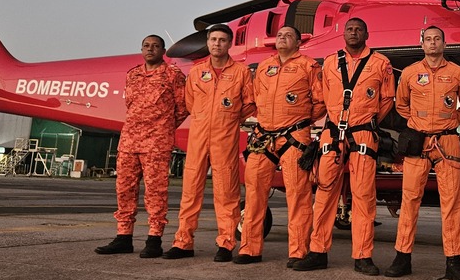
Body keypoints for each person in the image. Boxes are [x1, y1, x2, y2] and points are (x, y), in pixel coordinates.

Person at [294, 18, 395, 275]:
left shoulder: (381, 63)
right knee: (325, 193)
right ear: (343, 34)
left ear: (367, 34)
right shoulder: (330, 62)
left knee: (363, 196)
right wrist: (339, 120)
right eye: (349, 29)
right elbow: (325, 96)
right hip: (332, 133)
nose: (353, 33)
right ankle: (318, 252)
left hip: (363, 135)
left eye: (358, 29)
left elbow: (386, 100)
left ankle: (363, 256)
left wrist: (366, 123)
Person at [384, 26, 460, 280]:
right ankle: (402, 256)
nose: (432, 43)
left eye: (437, 39)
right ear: (422, 44)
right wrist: (417, 123)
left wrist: (450, 123)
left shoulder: (457, 73)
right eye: (428, 39)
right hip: (418, 143)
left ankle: (454, 261)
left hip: (447, 143)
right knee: (409, 200)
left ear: (444, 44)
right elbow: (400, 104)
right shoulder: (411, 73)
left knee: (452, 203)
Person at [163, 23, 255, 262]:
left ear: (230, 44)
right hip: (199, 136)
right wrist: (207, 117)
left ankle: (226, 243)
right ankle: (183, 242)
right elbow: (190, 103)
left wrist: (230, 117)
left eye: (222, 40)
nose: (217, 44)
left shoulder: (241, 72)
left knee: (227, 193)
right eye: (213, 40)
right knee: (190, 191)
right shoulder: (196, 72)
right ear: (208, 42)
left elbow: (250, 103)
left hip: (225, 138)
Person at [237, 26, 324, 267]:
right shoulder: (264, 67)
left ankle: (298, 251)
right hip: (263, 137)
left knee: (298, 195)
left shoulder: (309, 66)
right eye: (280, 35)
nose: (282, 38)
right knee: (254, 193)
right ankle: (249, 249)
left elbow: (320, 102)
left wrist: (301, 120)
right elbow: (254, 100)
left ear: (298, 42)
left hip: (294, 137)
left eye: (288, 35)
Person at [96, 35, 188, 258]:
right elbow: (130, 105)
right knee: (124, 190)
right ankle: (123, 237)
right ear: (141, 49)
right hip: (129, 141)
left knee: (156, 193)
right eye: (146, 46)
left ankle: (154, 239)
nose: (150, 49)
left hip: (156, 143)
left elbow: (183, 108)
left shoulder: (173, 75)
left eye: (155, 46)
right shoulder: (133, 74)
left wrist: (162, 126)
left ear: (163, 50)